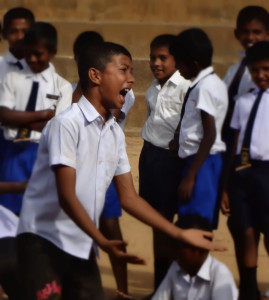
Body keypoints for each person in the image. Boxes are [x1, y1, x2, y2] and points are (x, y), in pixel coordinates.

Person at [16, 41, 225, 300]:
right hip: (42, 241)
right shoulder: (66, 125)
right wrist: (101, 240)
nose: (132, 79)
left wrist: (180, 233)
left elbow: (129, 197)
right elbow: (66, 196)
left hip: (80, 244)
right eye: (124, 70)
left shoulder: (114, 131)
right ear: (95, 75)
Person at [72, 31, 135, 299]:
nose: (129, 80)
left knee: (111, 230)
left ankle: (122, 290)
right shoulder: (68, 102)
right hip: (76, 176)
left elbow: (130, 196)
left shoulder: (115, 117)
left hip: (105, 173)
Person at [0, 21, 72, 214]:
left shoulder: (62, 87)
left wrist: (20, 117)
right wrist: (43, 115)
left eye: (38, 54)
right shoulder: (12, 79)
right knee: (8, 214)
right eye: (28, 53)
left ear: (53, 52)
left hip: (44, 154)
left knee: (39, 215)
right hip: (13, 152)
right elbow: (5, 116)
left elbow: (55, 126)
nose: (32, 59)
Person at [139, 34, 190, 290]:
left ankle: (170, 285)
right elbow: (151, 119)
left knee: (166, 223)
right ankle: (161, 285)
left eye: (163, 58)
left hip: (169, 161)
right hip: (149, 157)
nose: (156, 63)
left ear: (176, 59)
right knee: (156, 223)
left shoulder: (184, 86)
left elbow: (188, 122)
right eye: (152, 57)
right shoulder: (153, 86)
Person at [221, 41, 269, 300]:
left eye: (266, 69)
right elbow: (235, 142)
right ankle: (249, 289)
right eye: (255, 70)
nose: (260, 75)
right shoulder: (243, 101)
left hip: (267, 174)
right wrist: (227, 185)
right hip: (243, 171)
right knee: (244, 229)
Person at [169, 28, 228, 229]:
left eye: (179, 63)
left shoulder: (206, 87)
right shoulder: (209, 83)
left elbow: (209, 133)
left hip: (202, 161)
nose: (177, 67)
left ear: (194, 63)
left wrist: (191, 175)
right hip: (200, 160)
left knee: (194, 222)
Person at [152, 214, 238, 300]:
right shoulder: (176, 268)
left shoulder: (220, 273)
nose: (174, 253)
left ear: (199, 249)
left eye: (178, 248)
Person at [222, 5, 269, 148]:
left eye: (256, 32)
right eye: (245, 32)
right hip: (233, 136)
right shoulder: (235, 69)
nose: (250, 37)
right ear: (237, 34)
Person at [0, 7, 35, 181]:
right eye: (14, 31)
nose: (20, 37)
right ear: (4, 34)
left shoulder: (44, 71)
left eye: (25, 32)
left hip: (32, 145)